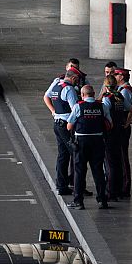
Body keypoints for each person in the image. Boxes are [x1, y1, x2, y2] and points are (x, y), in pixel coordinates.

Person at [66, 85, 112, 210]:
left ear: (82, 94)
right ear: (93, 93)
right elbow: (109, 124)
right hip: (98, 141)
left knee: (79, 171)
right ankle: (102, 200)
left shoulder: (78, 106)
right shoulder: (102, 106)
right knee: (98, 171)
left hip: (81, 142)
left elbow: (69, 126)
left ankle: (78, 201)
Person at [44, 67, 81, 195]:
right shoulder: (69, 89)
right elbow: (75, 110)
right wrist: (72, 124)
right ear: (74, 78)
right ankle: (77, 186)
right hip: (66, 125)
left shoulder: (56, 84)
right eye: (77, 80)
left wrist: (54, 112)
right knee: (76, 154)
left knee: (63, 155)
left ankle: (61, 185)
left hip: (57, 124)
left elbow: (46, 96)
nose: (78, 82)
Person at [100, 75, 126, 201]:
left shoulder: (107, 99)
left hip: (109, 133)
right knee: (118, 161)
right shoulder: (120, 97)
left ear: (106, 86)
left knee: (109, 164)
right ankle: (119, 190)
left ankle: (110, 192)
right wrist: (125, 124)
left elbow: (105, 116)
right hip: (119, 132)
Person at [113, 68, 132, 198]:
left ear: (121, 77)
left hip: (122, 127)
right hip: (122, 127)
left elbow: (130, 110)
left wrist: (126, 124)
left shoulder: (125, 91)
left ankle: (124, 187)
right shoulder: (123, 90)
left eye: (116, 74)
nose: (114, 76)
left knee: (122, 156)